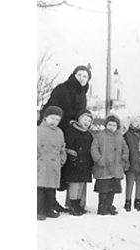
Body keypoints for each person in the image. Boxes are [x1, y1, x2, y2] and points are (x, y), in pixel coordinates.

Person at [40, 65, 92, 213]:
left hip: (72, 133)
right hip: (57, 129)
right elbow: (51, 108)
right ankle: (50, 200)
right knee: (54, 165)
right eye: (80, 74)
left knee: (66, 166)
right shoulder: (62, 89)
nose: (82, 78)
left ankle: (66, 201)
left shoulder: (82, 94)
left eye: (85, 76)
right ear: (74, 75)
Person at [91, 115, 129, 216]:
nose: (111, 127)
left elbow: (125, 149)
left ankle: (109, 205)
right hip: (103, 167)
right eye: (109, 124)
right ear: (106, 125)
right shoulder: (100, 135)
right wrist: (99, 159)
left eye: (114, 125)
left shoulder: (119, 136)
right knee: (103, 189)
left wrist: (123, 160)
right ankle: (102, 207)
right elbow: (94, 148)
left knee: (112, 189)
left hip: (116, 167)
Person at [61, 109, 94, 216]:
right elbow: (68, 146)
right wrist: (72, 157)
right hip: (74, 163)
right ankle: (73, 204)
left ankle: (78, 203)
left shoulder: (88, 134)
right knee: (74, 185)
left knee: (81, 184)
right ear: (79, 119)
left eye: (89, 121)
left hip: (85, 163)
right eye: (85, 119)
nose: (87, 122)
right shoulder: (71, 131)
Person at [37, 106, 67, 220]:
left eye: (57, 119)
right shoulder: (38, 130)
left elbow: (62, 148)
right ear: (45, 118)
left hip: (54, 165)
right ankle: (39, 211)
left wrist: (61, 160)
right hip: (41, 164)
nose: (54, 121)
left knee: (51, 189)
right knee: (40, 188)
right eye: (52, 118)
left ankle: (49, 209)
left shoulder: (59, 132)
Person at [123, 116, 140, 211]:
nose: (138, 124)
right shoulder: (127, 134)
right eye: (135, 122)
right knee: (130, 183)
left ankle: (138, 200)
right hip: (131, 162)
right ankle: (128, 201)